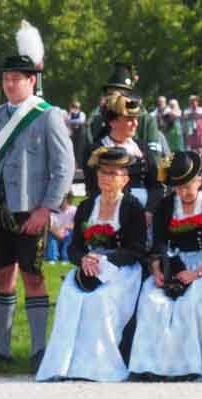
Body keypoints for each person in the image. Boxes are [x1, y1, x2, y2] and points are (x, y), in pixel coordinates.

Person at [0, 41, 75, 372]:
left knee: (34, 275)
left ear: (32, 80)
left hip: (30, 208)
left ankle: (38, 350)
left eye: (16, 78)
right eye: (6, 78)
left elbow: (64, 168)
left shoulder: (49, 115)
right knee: (3, 274)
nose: (9, 84)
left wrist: (47, 209)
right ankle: (2, 350)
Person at [36, 147, 146, 382]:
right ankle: (65, 366)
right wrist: (83, 259)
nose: (107, 178)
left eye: (113, 173)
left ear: (125, 179)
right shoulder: (86, 206)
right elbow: (75, 246)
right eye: (103, 172)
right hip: (88, 266)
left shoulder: (132, 207)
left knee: (99, 300)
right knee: (70, 296)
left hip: (122, 269)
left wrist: (107, 260)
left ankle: (99, 367)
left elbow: (137, 250)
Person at [128, 151, 202, 380]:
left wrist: (196, 273)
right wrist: (158, 270)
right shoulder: (166, 205)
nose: (182, 193)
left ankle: (189, 366)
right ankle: (152, 366)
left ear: (199, 180)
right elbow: (159, 244)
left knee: (191, 301)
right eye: (178, 188)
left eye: (187, 186)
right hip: (173, 264)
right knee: (152, 299)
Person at [86, 93, 163, 216]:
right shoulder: (97, 150)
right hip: (112, 211)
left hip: (146, 213)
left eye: (136, 119)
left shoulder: (141, 147)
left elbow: (156, 184)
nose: (135, 124)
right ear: (113, 122)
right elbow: (93, 188)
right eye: (129, 119)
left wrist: (150, 210)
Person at [85, 62, 165, 158]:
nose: (113, 100)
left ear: (129, 97)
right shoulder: (97, 121)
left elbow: (154, 159)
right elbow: (89, 156)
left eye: (119, 96)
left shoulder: (146, 121)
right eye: (110, 95)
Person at [46, 192, 76, 263]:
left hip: (68, 233)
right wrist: (57, 232)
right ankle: (52, 258)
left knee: (70, 236)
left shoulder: (74, 210)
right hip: (55, 232)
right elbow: (50, 225)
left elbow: (76, 225)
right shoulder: (52, 211)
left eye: (63, 199)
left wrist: (65, 227)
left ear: (68, 199)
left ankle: (66, 258)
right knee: (51, 237)